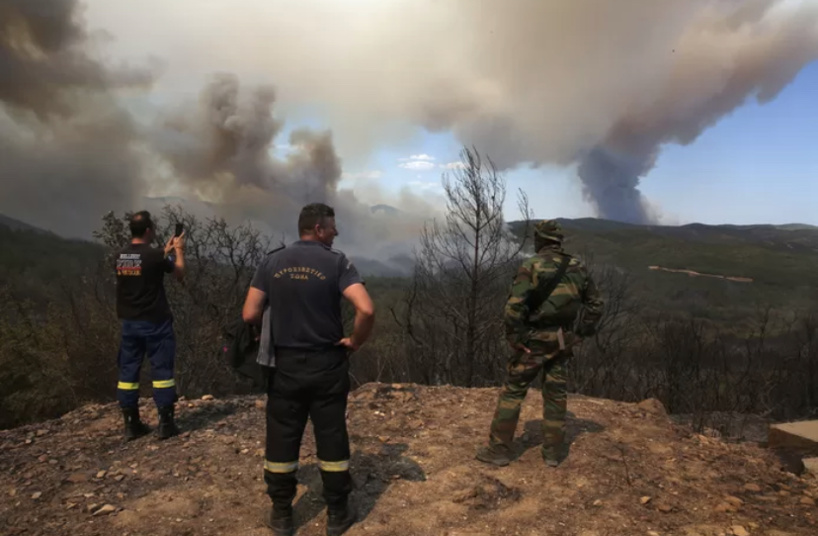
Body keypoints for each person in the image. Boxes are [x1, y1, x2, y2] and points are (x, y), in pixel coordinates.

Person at [242, 202, 375, 536]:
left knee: (282, 435)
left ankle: (282, 514)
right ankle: (338, 513)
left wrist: (265, 328)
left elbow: (249, 313)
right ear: (318, 229)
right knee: (331, 434)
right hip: (327, 364)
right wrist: (355, 341)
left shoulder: (272, 261)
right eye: (332, 227)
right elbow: (366, 310)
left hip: (284, 366)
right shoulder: (337, 262)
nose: (336, 232)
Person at [476, 219, 604, 467]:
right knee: (556, 393)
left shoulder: (531, 266)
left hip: (533, 340)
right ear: (558, 241)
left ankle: (499, 450)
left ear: (539, 240)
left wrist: (516, 338)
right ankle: (553, 453)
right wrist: (580, 333)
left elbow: (513, 308)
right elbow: (596, 305)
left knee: (513, 391)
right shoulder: (578, 267)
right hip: (562, 340)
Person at [114, 210, 185, 441]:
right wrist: (179, 250)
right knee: (162, 371)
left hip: (129, 323)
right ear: (148, 230)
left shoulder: (120, 256)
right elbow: (179, 273)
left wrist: (164, 252)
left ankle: (131, 424)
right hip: (156, 322)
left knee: (127, 372)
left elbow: (142, 266)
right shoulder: (154, 256)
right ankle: (166, 423)